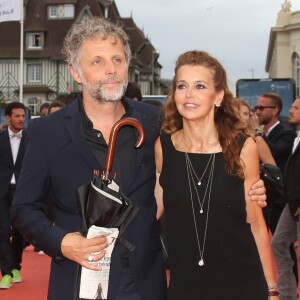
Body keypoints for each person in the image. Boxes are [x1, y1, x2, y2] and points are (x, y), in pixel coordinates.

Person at [11, 18, 267, 300]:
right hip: (78, 279)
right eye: (97, 62)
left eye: (117, 59)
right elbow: (23, 209)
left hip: (144, 282)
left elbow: (197, 168)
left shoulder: (155, 122)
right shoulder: (48, 132)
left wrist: (247, 186)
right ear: (76, 72)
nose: (111, 70)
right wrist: (61, 242)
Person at [154, 50, 279, 299]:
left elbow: (255, 224)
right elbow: (150, 211)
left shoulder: (243, 147)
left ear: (218, 96)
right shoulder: (163, 147)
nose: (189, 94)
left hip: (242, 285)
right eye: (182, 86)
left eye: (200, 86)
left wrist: (272, 290)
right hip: (185, 287)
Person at [255, 92, 298, 282]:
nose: (257, 112)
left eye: (262, 108)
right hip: (274, 199)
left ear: (275, 111)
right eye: (257, 107)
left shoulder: (287, 134)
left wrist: (256, 135)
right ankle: (286, 292)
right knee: (277, 244)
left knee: (282, 245)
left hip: (284, 199)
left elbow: (276, 153)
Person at [271, 97, 300, 300]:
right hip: (292, 205)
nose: (291, 110)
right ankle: (288, 295)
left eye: (297, 108)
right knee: (279, 243)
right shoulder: (297, 137)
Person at [0, 102, 27, 289]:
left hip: (24, 192)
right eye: (17, 116)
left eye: (23, 116)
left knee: (20, 232)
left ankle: (16, 266)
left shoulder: (32, 139)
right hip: (2, 191)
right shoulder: (0, 139)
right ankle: (6, 272)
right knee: (3, 232)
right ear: (8, 117)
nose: (21, 119)